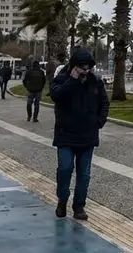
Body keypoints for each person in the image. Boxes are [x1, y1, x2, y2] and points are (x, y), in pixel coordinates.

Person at [49, 47, 109, 220]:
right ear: (74, 66)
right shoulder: (61, 79)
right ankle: (62, 199)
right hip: (65, 135)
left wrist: (99, 121)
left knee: (84, 174)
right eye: (82, 66)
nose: (85, 70)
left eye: (88, 66)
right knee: (65, 168)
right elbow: (56, 96)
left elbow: (104, 103)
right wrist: (72, 81)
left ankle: (79, 206)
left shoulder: (96, 82)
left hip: (88, 135)